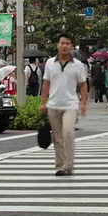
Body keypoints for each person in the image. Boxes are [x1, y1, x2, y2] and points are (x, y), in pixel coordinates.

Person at [40, 33, 88, 176]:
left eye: (67, 43)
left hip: (70, 105)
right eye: (62, 43)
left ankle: (69, 165)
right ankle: (60, 165)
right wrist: (43, 103)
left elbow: (83, 85)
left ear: (71, 46)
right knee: (57, 137)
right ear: (58, 44)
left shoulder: (78, 65)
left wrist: (83, 104)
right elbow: (46, 84)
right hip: (53, 104)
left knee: (68, 132)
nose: (64, 46)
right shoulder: (50, 63)